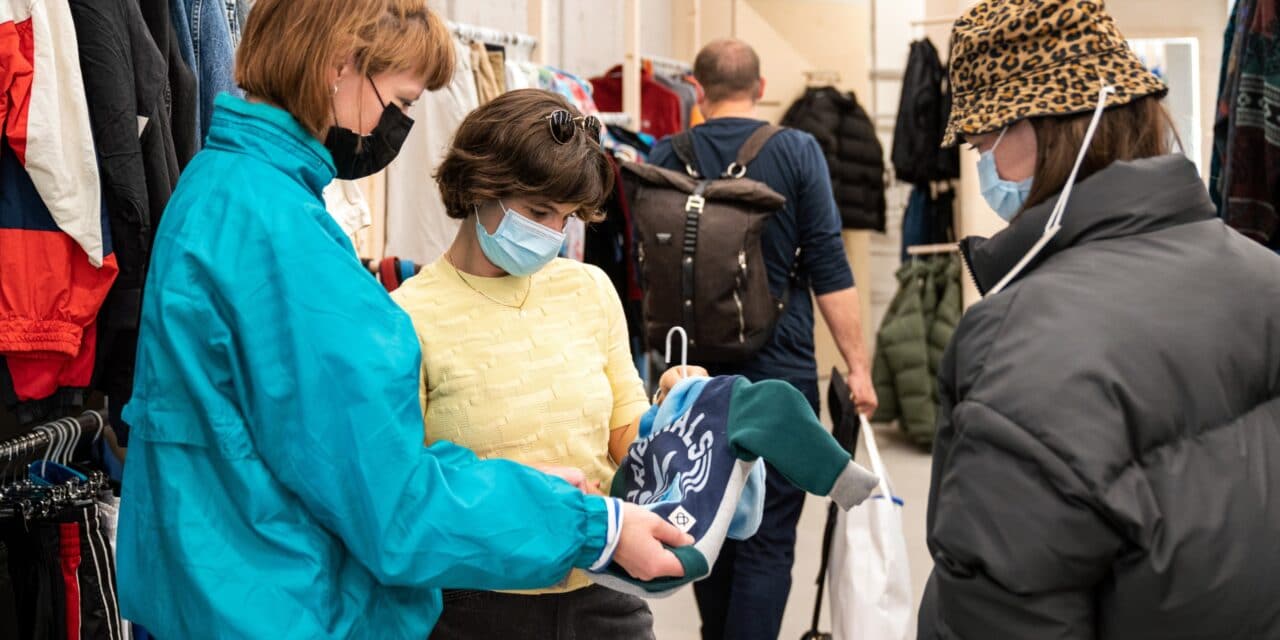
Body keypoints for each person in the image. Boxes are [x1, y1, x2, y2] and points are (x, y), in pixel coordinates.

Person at [115, 2, 692, 638]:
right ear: (340, 67)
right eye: (400, 98)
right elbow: (389, 503)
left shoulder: (220, 189)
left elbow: (310, 450)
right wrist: (589, 525)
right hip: (281, 602)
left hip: (226, 585)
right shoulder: (283, 237)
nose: (398, 123)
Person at [919, 1, 1280, 638]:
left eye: (982, 145)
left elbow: (1004, 608)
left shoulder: (1017, 346)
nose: (983, 172)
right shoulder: (1264, 275)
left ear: (1041, 127)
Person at [392, 88, 707, 640]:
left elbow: (623, 438)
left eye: (565, 218)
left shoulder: (588, 288)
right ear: (479, 186)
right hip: (474, 602)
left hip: (605, 588)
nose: (552, 235)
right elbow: (407, 487)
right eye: (538, 212)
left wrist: (677, 412)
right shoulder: (406, 317)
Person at [648, 38, 879, 640]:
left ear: (696, 90)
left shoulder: (663, 151)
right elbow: (828, 266)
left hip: (688, 376)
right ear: (761, 86)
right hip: (780, 371)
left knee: (703, 519)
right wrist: (858, 367)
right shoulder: (797, 150)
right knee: (769, 535)